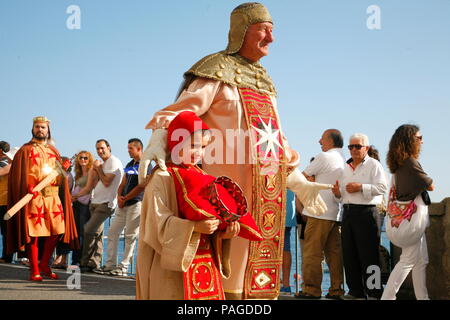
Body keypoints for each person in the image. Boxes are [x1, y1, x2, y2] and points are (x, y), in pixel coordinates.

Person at [138, 2, 331, 300]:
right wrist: (158, 139)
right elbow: (180, 114)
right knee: (224, 280)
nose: (271, 38)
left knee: (255, 286)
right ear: (242, 31)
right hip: (223, 196)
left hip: (266, 200)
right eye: (264, 30)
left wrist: (297, 181)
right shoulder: (215, 70)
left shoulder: (265, 83)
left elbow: (273, 141)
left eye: (272, 31)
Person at [136, 111, 241, 300]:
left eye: (202, 147)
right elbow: (155, 225)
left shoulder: (201, 175)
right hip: (169, 268)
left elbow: (211, 223)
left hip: (203, 263)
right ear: (177, 143)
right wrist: (193, 227)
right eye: (193, 145)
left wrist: (224, 234)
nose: (198, 152)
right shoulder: (161, 177)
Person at [6, 116, 78, 281]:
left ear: (48, 130)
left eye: (43, 127)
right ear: (33, 129)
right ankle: (35, 269)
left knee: (56, 231)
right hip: (34, 197)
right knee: (34, 234)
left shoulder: (53, 151)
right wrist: (26, 187)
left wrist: (63, 169)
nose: (40, 130)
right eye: (37, 127)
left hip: (53, 197)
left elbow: (59, 176)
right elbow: (18, 175)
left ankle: (45, 264)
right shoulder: (25, 150)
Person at [332, 133, 387, 300]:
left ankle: (374, 292)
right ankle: (355, 291)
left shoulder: (374, 165)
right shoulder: (345, 167)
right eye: (351, 147)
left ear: (367, 148)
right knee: (349, 254)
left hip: (367, 213)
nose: (354, 150)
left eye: (358, 146)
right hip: (348, 212)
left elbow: (383, 187)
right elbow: (342, 194)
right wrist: (337, 194)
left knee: (369, 255)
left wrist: (361, 187)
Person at [381, 124, 433, 300]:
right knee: (408, 260)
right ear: (410, 140)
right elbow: (430, 184)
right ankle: (387, 297)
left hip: (405, 219)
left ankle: (422, 297)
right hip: (412, 220)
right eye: (419, 138)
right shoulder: (410, 162)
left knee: (420, 261)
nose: (422, 141)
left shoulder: (398, 164)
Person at [296, 129, 345, 299]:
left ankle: (311, 290)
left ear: (330, 141)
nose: (319, 141)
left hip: (318, 213)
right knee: (334, 255)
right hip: (334, 213)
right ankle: (336, 290)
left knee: (312, 254)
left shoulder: (324, 157)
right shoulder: (341, 159)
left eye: (322, 139)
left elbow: (302, 178)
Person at [95, 138, 148, 276]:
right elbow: (123, 182)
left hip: (136, 203)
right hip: (123, 204)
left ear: (139, 149)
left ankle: (123, 267)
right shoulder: (131, 163)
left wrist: (127, 197)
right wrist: (119, 196)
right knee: (113, 232)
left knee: (130, 236)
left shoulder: (146, 164)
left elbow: (142, 186)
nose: (128, 151)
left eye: (130, 148)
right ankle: (110, 264)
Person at [73, 139, 124, 273]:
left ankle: (84, 263)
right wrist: (75, 196)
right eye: (98, 149)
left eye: (102, 148)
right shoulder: (102, 164)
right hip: (95, 202)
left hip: (106, 204)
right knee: (97, 235)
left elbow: (107, 181)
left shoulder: (113, 162)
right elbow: (90, 186)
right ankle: (94, 264)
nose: (100, 151)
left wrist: (98, 168)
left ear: (109, 147)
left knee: (88, 230)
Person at [70, 151, 94, 266]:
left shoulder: (91, 172)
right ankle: (75, 260)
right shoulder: (78, 174)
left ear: (89, 160)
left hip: (85, 205)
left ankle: (81, 260)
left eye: (85, 158)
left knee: (82, 233)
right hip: (76, 204)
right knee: (76, 232)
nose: (83, 160)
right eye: (80, 158)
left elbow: (88, 189)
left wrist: (74, 196)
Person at [52, 156, 75, 269]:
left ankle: (61, 258)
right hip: (57, 206)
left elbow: (64, 191)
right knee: (58, 233)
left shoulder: (66, 176)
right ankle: (58, 257)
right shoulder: (63, 175)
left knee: (63, 233)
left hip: (63, 206)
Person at [0, 141, 14, 263]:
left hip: (5, 201)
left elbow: (3, 171)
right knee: (5, 231)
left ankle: (7, 257)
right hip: (2, 201)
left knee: (6, 231)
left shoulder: (6, 161)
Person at [280, 189, 296, 295]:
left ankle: (281, 283)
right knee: (286, 246)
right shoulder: (294, 172)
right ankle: (286, 285)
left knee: (272, 246)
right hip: (289, 208)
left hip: (277, 205)